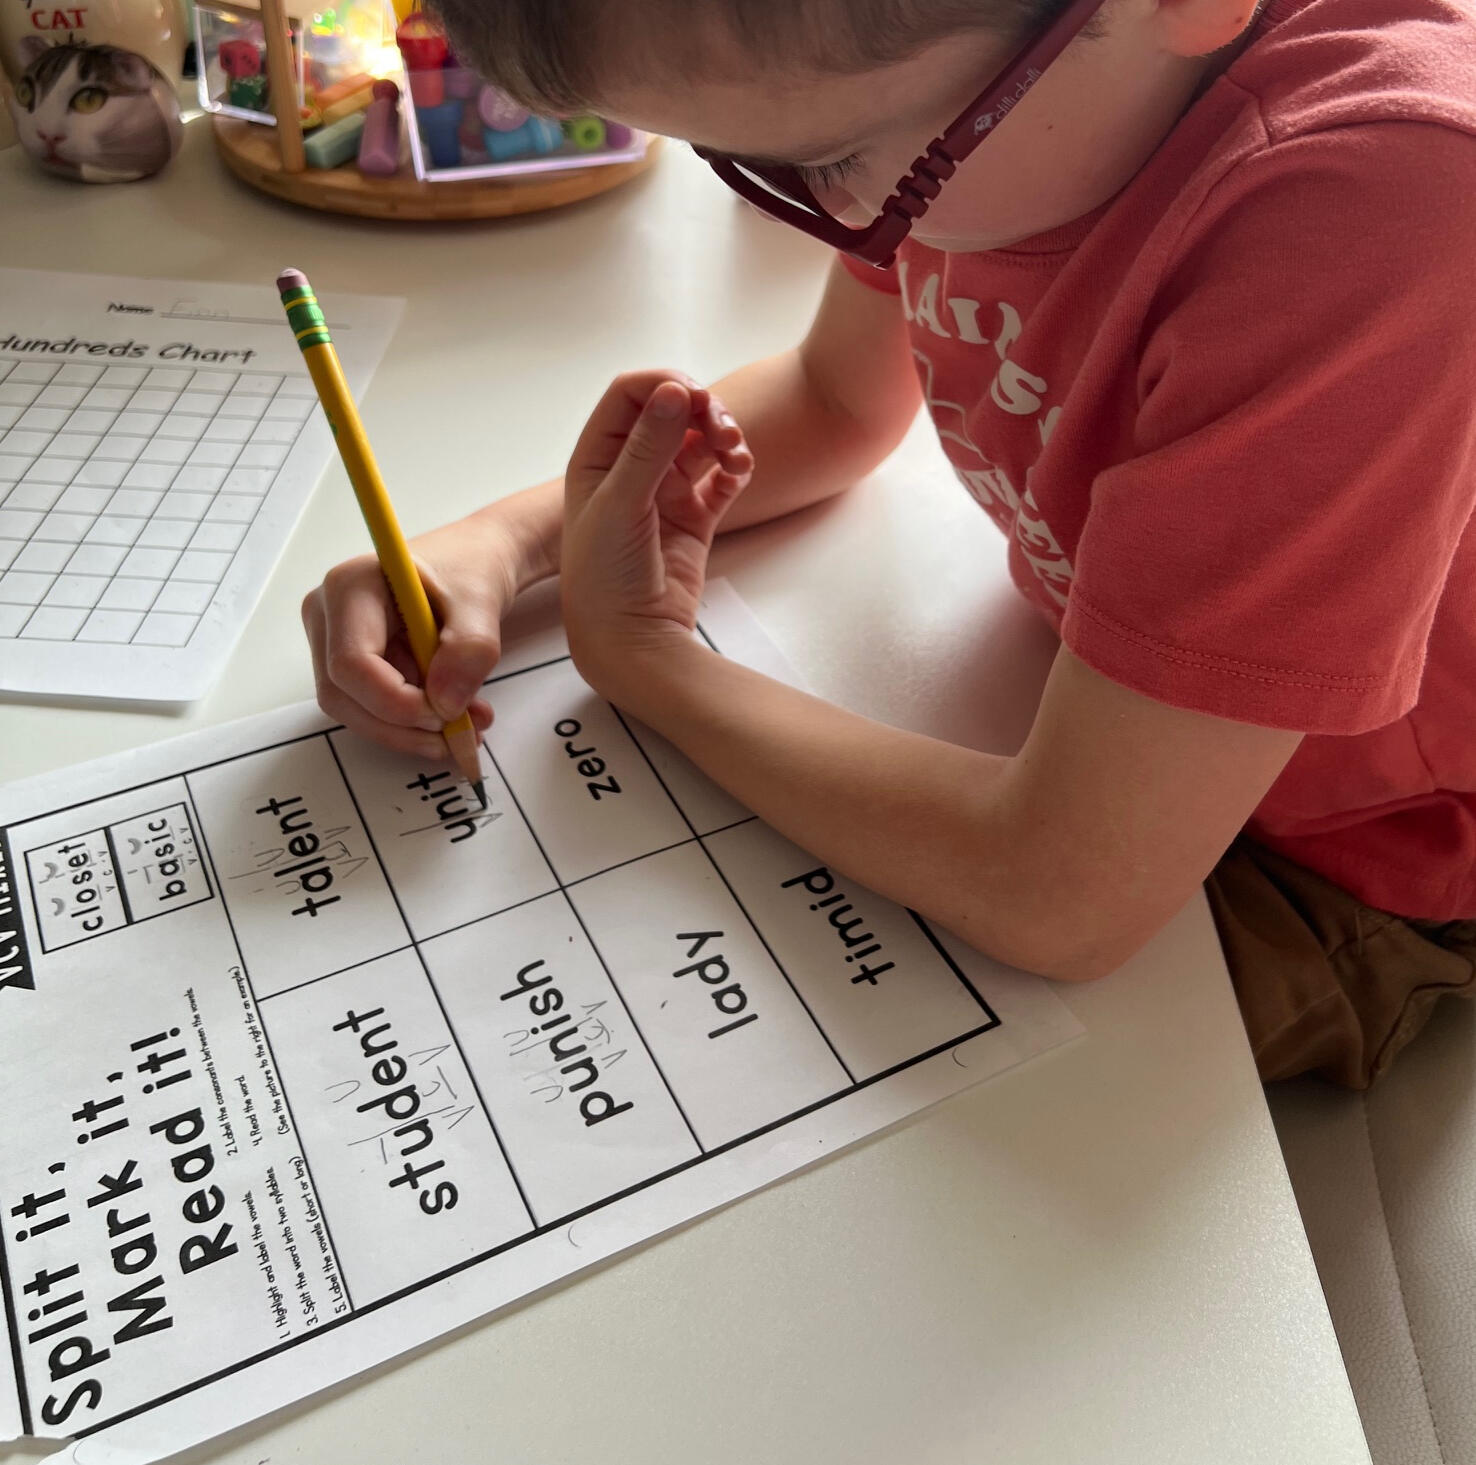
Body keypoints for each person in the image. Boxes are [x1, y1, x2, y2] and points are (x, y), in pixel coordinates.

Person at [303, 0, 1476, 1088]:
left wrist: (656, 664)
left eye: (825, 165)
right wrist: (497, 547)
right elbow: (831, 399)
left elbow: (1063, 895)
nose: (836, 221)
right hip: (1097, 730)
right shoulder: (987, 92)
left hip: (1360, 849)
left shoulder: (1378, 205)